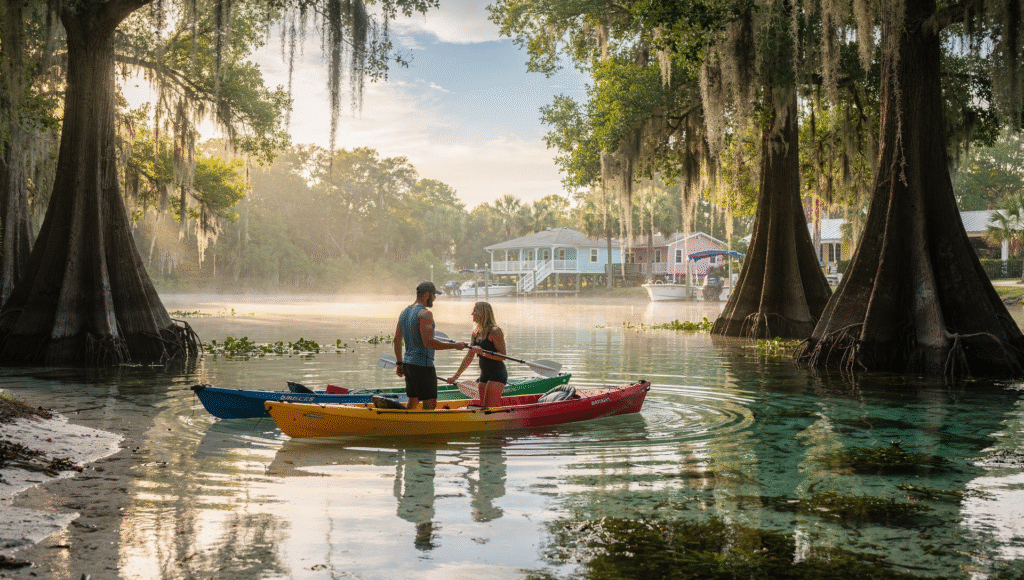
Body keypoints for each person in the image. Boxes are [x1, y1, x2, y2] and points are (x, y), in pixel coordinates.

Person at [394, 281, 467, 410]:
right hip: (423, 365)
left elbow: (397, 340)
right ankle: (424, 429)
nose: (435, 298)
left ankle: (405, 426)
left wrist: (399, 363)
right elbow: (429, 342)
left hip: (408, 364)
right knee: (430, 404)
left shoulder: (404, 312)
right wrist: (455, 346)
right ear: (427, 294)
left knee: (413, 400)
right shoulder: (425, 314)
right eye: (434, 295)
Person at [448, 301, 507, 407]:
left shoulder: (495, 331)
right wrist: (456, 375)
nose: (472, 313)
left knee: (488, 409)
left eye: (474, 310)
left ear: (482, 313)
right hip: (484, 375)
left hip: (497, 374)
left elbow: (503, 356)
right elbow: (469, 357)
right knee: (484, 407)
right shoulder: (476, 332)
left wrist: (483, 353)